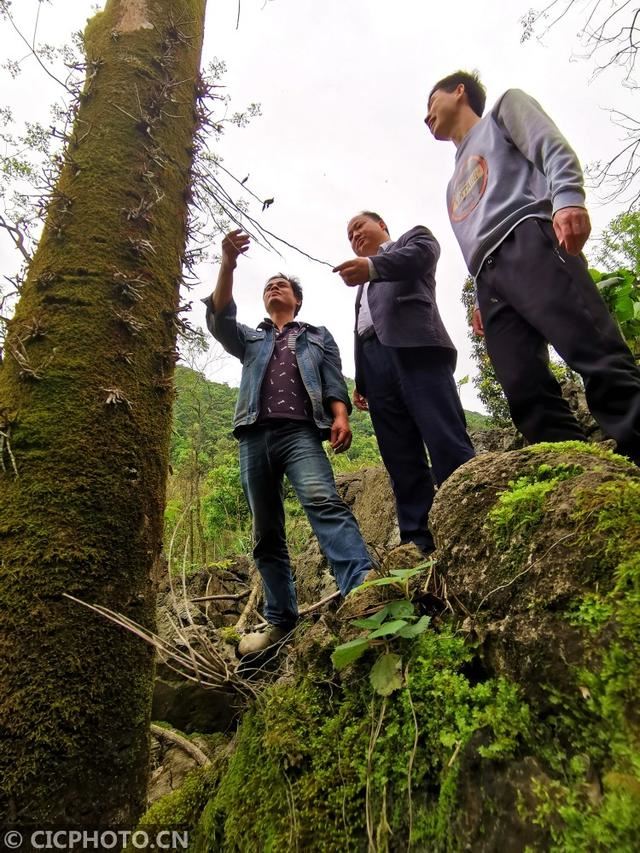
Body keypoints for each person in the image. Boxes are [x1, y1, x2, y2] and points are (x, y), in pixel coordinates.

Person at [425, 70, 640, 464]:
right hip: (488, 276)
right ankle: (574, 472)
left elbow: (550, 146)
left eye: (431, 102)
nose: (427, 116)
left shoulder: (504, 110)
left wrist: (568, 198)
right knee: (523, 387)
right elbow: (474, 233)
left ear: (460, 91)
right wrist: (478, 296)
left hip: (530, 236)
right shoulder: (452, 182)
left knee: (591, 349)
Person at [203, 229, 373, 655]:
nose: (273, 288)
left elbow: (334, 380)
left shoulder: (316, 336)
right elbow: (220, 319)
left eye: (281, 285)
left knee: (323, 502)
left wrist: (339, 417)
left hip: (300, 433)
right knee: (266, 532)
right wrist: (228, 262)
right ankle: (280, 622)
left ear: (296, 299)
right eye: (267, 287)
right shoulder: (253, 338)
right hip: (253, 435)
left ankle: (362, 588)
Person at [333, 212, 475, 555]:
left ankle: (471, 515)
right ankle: (417, 543)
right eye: (348, 235)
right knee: (399, 456)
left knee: (443, 435)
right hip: (376, 368)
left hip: (416, 349)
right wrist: (363, 379)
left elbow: (422, 256)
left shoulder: (413, 239)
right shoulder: (362, 286)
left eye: (358, 227)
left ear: (382, 226)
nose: (354, 236)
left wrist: (372, 266)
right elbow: (364, 327)